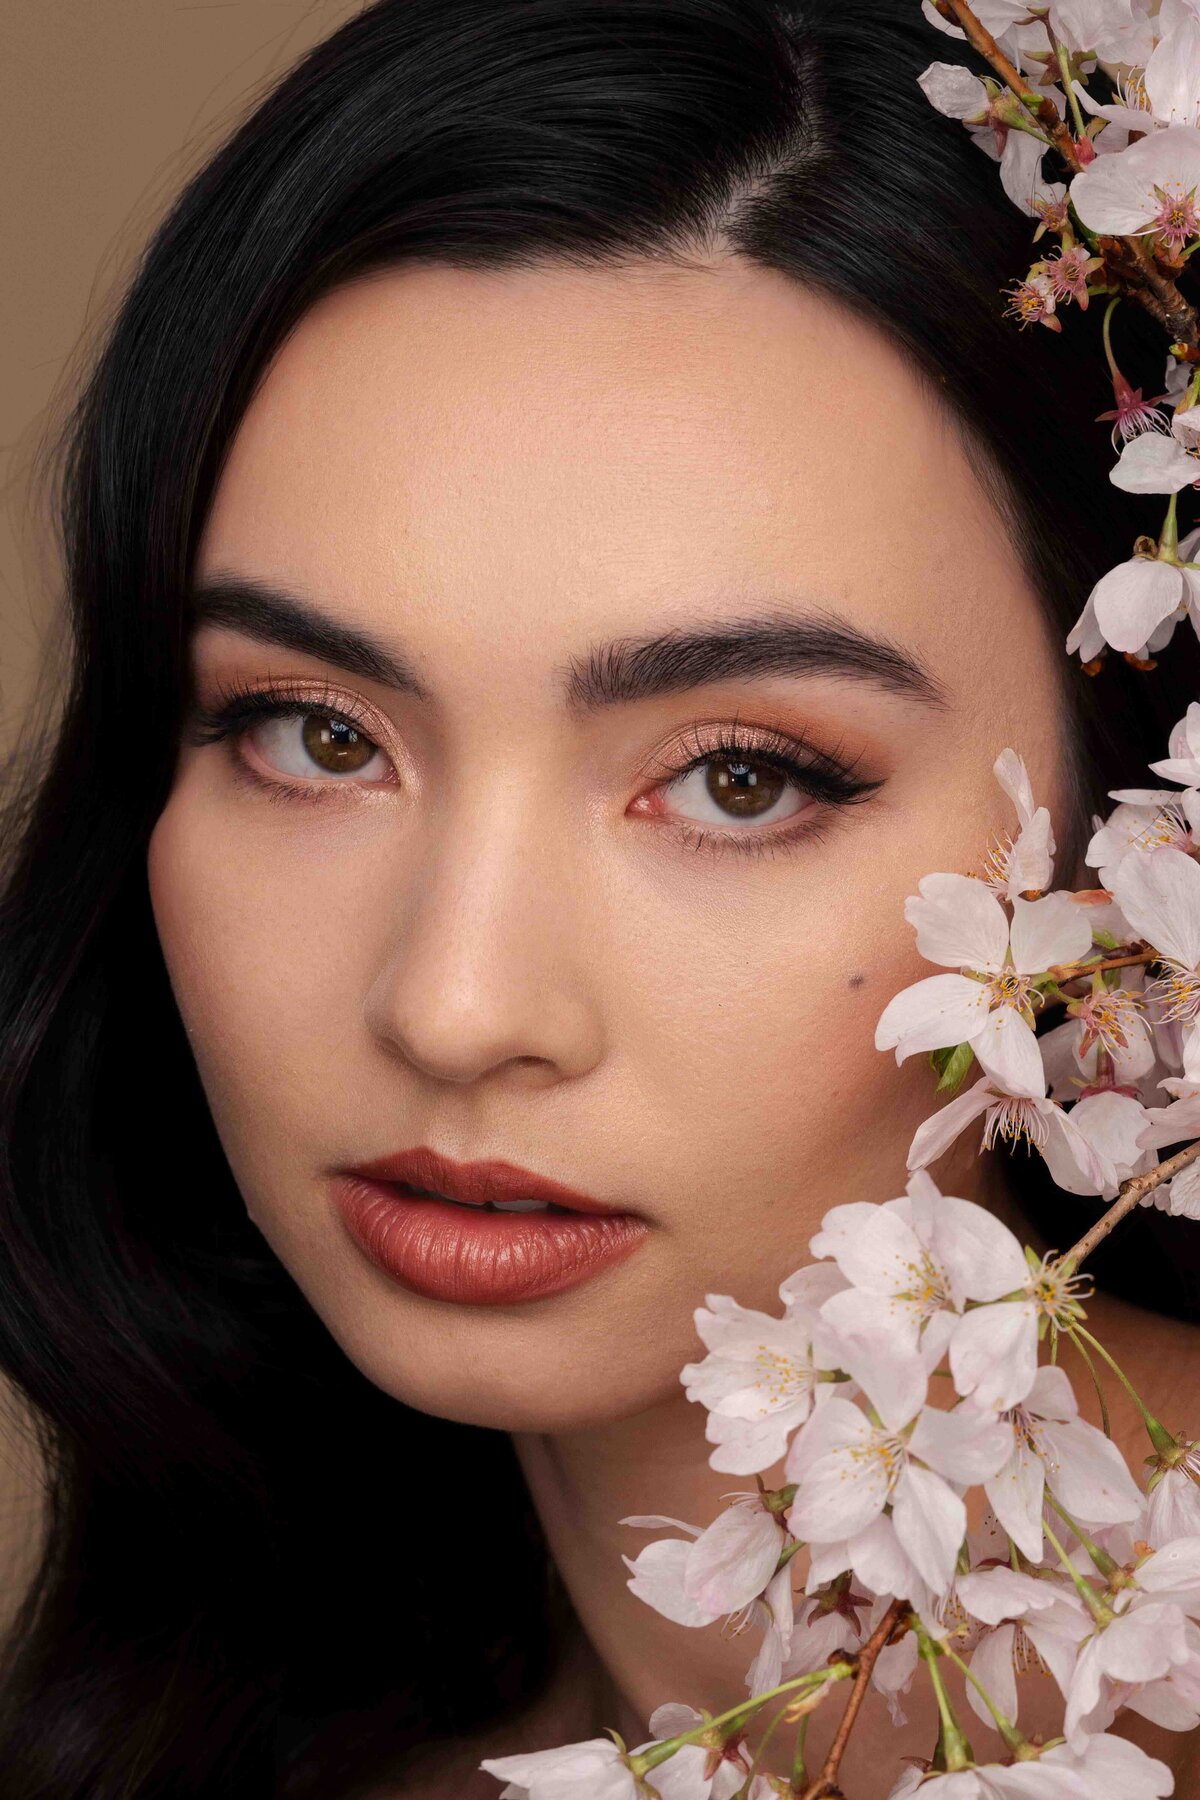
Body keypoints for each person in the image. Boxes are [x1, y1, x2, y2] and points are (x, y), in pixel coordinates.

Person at [0, 1, 1197, 1795]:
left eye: (741, 778)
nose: (455, 1006)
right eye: (317, 735)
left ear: (1144, 840)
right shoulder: (230, 1726)